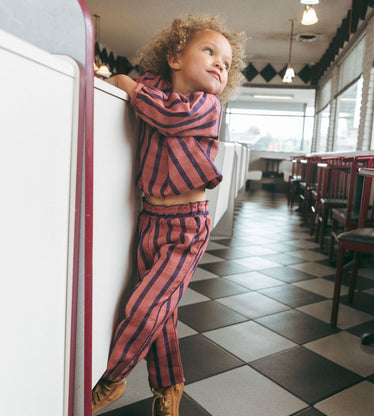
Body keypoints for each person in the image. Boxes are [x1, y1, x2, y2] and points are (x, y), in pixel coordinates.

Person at [91, 14, 246, 415]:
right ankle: (169, 386)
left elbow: (167, 115)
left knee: (144, 306)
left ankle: (113, 376)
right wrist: (122, 80)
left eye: (227, 63)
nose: (220, 64)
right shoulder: (154, 87)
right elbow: (142, 88)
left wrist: (127, 85)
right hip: (148, 221)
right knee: (163, 312)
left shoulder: (206, 106)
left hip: (187, 226)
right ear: (175, 57)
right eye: (209, 51)